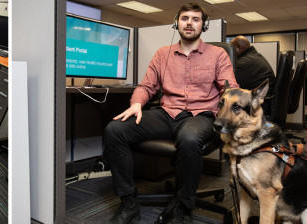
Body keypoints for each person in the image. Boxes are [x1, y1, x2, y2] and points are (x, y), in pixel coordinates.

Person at [103, 3, 238, 224]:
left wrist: (227, 111)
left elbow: (229, 88)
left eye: (195, 19)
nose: (189, 23)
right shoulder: (162, 54)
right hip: (167, 113)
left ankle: (183, 207)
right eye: (185, 18)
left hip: (201, 114)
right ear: (177, 22)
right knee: (115, 129)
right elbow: (147, 86)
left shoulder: (218, 54)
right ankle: (129, 202)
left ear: (203, 26)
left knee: (189, 138)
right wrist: (137, 103)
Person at [230, 35, 276, 114]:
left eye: (232, 49)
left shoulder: (244, 63)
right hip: (267, 101)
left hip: (260, 104)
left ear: (237, 48)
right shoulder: (254, 56)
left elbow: (231, 85)